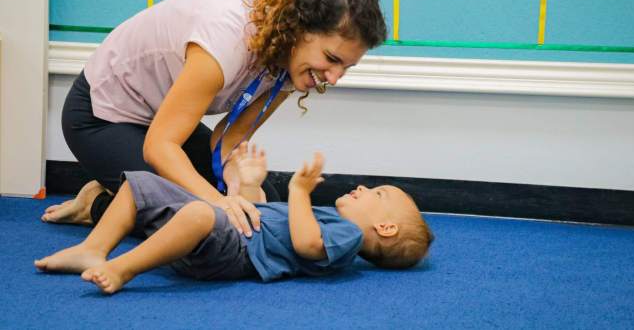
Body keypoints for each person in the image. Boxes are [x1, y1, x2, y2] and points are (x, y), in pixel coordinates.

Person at [41, 0, 387, 237]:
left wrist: (237, 184)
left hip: (156, 120)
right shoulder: (224, 39)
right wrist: (218, 202)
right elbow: (160, 147)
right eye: (332, 58)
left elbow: (230, 139)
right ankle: (97, 203)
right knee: (195, 216)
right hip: (100, 116)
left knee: (265, 198)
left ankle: (123, 191)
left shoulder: (290, 65)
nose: (334, 77)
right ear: (300, 28)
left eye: (346, 67)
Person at [35, 145, 434, 294]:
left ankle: (122, 268)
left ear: (384, 228)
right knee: (141, 183)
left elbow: (305, 246)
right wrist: (249, 186)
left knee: (196, 213)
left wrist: (298, 192)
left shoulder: (346, 237)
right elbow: (256, 215)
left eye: (377, 194)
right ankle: (93, 248)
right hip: (231, 232)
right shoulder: (328, 216)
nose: (364, 188)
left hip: (235, 254)